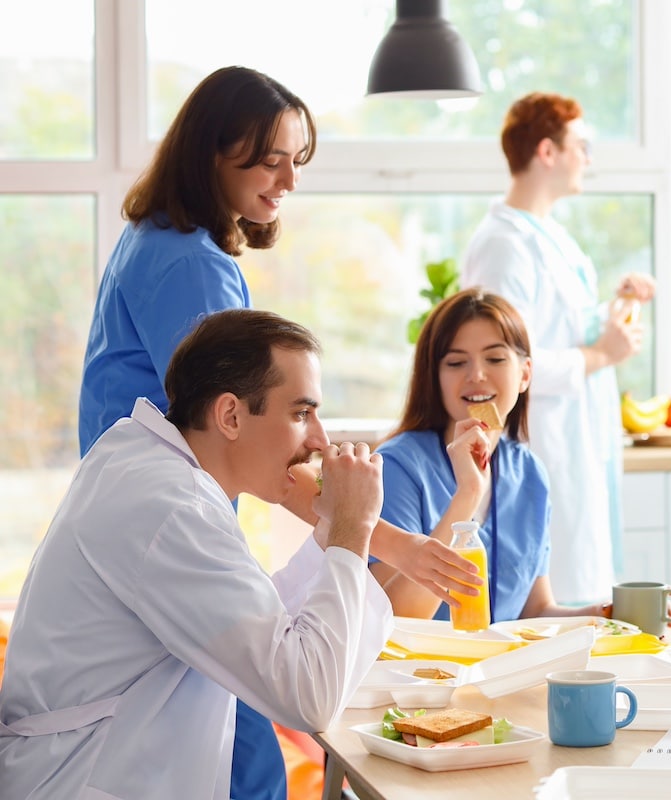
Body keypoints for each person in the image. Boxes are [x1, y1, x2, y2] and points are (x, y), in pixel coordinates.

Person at [74, 65, 478, 799]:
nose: (288, 180)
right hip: (165, 531)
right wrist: (384, 541)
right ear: (211, 152)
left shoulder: (155, 239)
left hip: (148, 528)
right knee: (256, 745)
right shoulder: (193, 267)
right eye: (269, 159)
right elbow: (257, 441)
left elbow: (255, 435)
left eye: (298, 160)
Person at [0, 309, 392, 798]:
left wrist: (336, 529)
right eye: (299, 413)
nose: (319, 439)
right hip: (79, 779)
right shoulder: (171, 508)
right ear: (230, 415)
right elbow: (307, 697)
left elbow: (250, 618)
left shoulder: (147, 463)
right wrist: (353, 530)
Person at [461, 91, 655, 605]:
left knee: (586, 584)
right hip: (545, 440)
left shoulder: (549, 236)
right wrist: (600, 356)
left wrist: (616, 308)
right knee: (557, 594)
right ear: (547, 152)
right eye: (581, 145)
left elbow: (556, 328)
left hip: (579, 438)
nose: (588, 158)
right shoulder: (503, 245)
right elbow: (495, 362)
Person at [371, 288, 607, 620]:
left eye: (495, 358)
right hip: (428, 670)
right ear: (434, 377)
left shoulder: (529, 473)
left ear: (525, 374)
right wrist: (468, 494)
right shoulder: (395, 467)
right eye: (456, 362)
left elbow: (534, 611)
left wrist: (604, 614)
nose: (477, 375)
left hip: (505, 667)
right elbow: (394, 618)